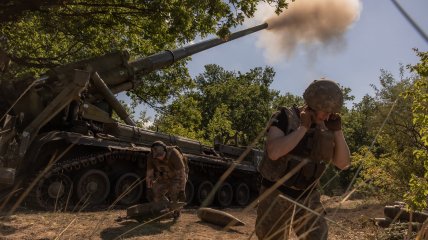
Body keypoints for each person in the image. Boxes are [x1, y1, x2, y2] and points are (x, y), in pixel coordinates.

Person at [255, 79, 351, 240]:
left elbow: (343, 164)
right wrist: (303, 128)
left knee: (317, 236)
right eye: (325, 110)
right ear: (312, 105)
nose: (328, 116)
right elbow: (274, 152)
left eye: (332, 112)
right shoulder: (285, 116)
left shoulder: (327, 125)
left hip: (308, 196)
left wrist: (338, 132)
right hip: (276, 193)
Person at [145, 140, 188, 219]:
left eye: (161, 155)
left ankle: (176, 212)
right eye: (157, 156)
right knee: (156, 192)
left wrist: (182, 190)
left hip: (177, 177)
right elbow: (149, 175)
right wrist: (149, 188)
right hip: (164, 176)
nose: (160, 158)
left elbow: (182, 173)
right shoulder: (151, 156)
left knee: (175, 192)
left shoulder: (174, 154)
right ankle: (167, 209)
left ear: (165, 150)